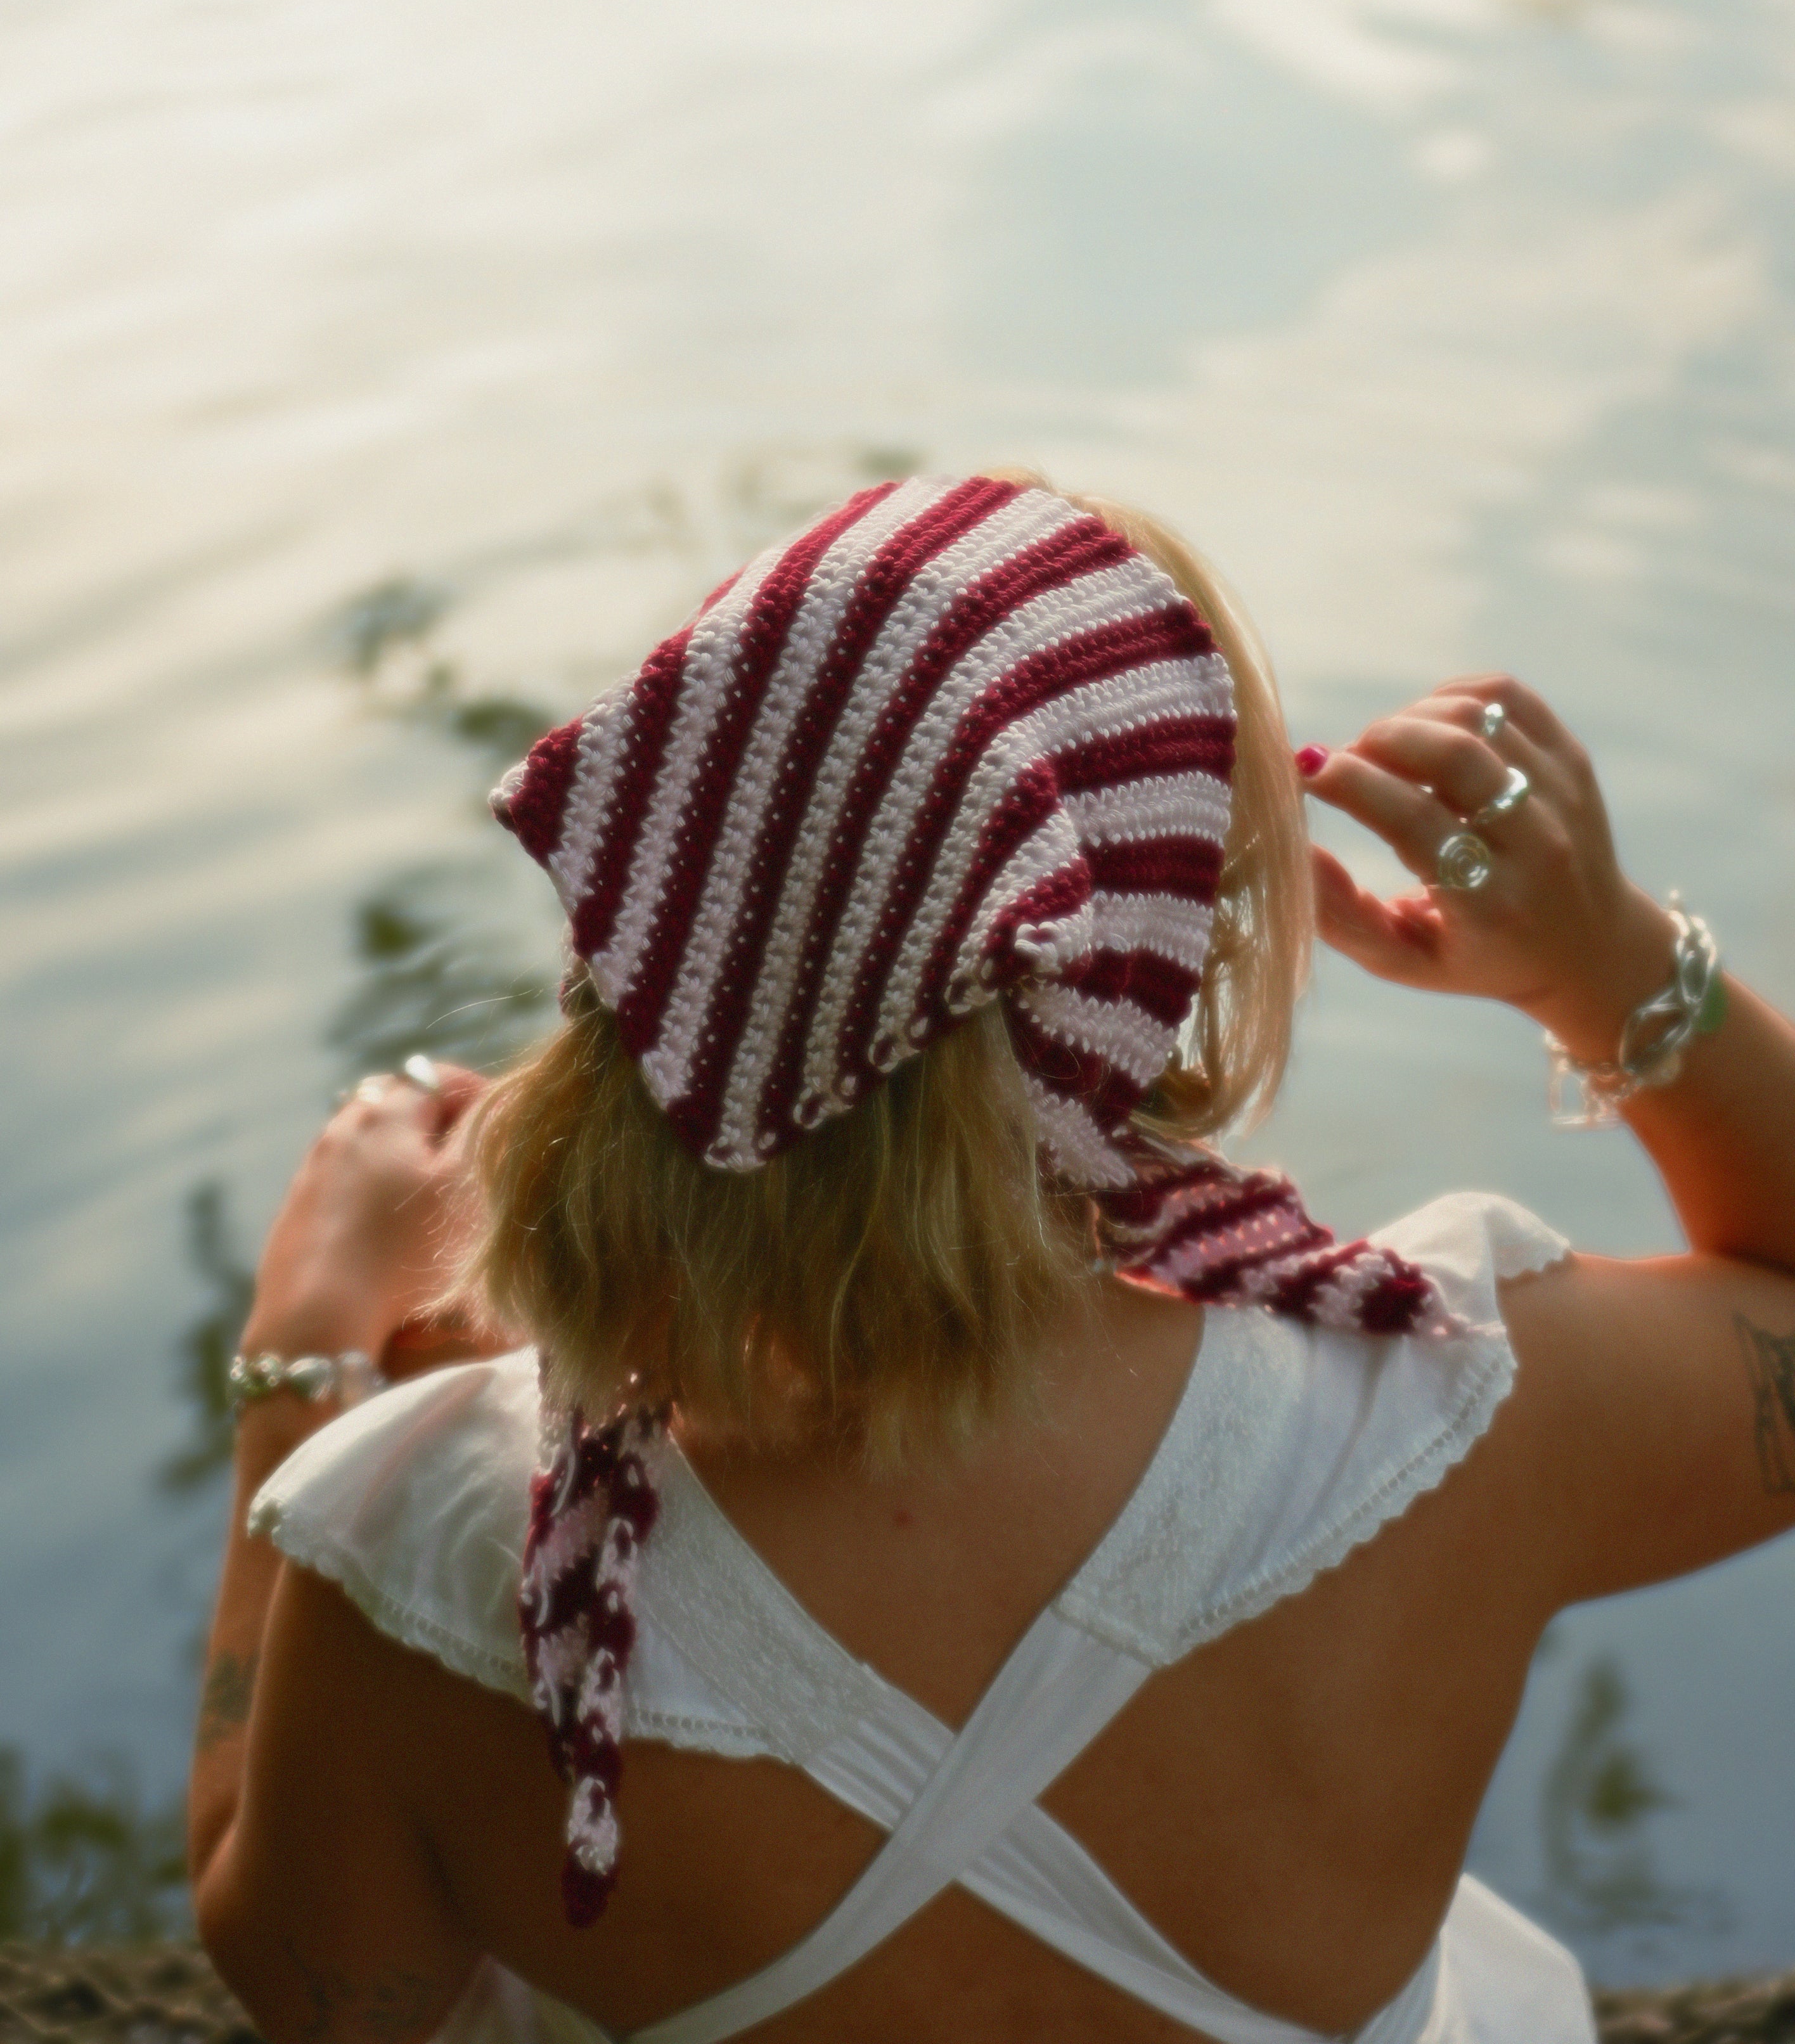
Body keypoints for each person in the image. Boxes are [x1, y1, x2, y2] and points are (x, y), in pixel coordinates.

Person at [188, 473, 1795, 2044]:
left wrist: (303, 1369)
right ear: (1160, 967)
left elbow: (318, 1988)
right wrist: (1608, 965)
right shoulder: (1446, 1409)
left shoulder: (428, 1560)